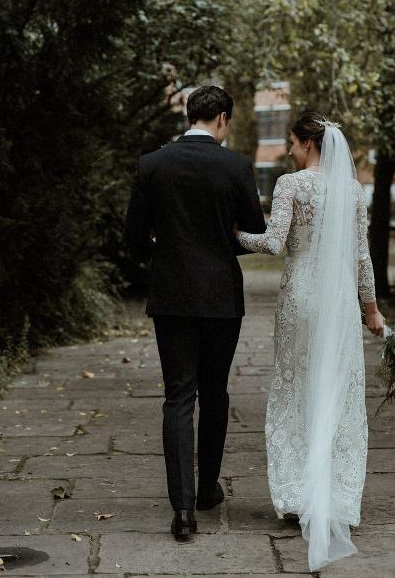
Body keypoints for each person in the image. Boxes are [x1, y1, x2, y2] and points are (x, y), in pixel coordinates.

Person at [236, 112, 385, 571]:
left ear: (308, 143)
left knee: (296, 387)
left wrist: (234, 235)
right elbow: (362, 256)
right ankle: (337, 497)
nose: (289, 150)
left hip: (301, 296)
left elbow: (276, 243)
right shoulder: (352, 190)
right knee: (337, 390)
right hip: (339, 300)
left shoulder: (291, 185)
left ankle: (300, 493)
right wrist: (371, 309)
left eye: (293, 143)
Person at [124, 85, 265, 541]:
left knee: (178, 397)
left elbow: (133, 237)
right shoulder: (236, 165)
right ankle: (207, 490)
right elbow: (254, 230)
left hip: (172, 296)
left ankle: (182, 510)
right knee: (215, 392)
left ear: (191, 116)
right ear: (222, 118)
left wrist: (165, 253)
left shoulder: (153, 164)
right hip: (221, 296)